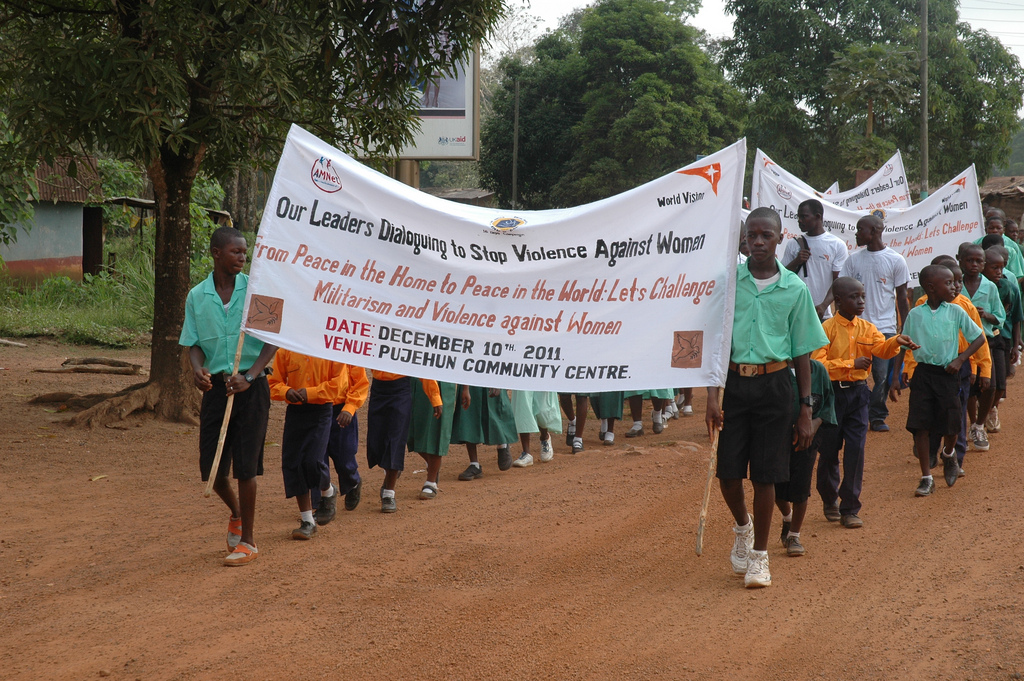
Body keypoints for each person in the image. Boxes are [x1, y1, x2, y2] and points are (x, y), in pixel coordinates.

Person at [705, 207, 828, 589]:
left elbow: (803, 351)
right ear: (744, 239)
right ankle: (743, 527)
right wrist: (712, 395)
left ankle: (759, 557)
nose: (758, 242)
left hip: (776, 388)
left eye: (766, 236)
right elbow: (715, 343)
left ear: (780, 238)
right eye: (751, 236)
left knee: (765, 475)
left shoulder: (794, 288)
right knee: (727, 473)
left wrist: (805, 408)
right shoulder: (727, 283)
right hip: (734, 387)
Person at [179, 226, 277, 567]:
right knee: (211, 469)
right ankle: (236, 512)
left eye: (245, 253)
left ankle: (248, 541)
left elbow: (272, 340)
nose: (242, 257)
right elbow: (192, 343)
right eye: (236, 251)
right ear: (217, 252)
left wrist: (250, 376)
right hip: (218, 390)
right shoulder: (197, 296)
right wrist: (197, 370)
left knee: (246, 466)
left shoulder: (257, 290)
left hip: (251, 388)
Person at [812, 277, 917, 529]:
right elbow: (818, 364)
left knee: (856, 451)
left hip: (859, 395)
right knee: (828, 451)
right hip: (831, 397)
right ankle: (829, 498)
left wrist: (896, 341)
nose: (861, 301)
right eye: (854, 297)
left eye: (863, 296)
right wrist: (850, 364)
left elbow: (881, 348)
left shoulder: (868, 328)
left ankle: (850, 507)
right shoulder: (825, 329)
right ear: (838, 301)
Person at [890, 265, 985, 496]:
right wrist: (894, 376)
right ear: (931, 288)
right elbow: (903, 343)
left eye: (954, 282)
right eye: (949, 283)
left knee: (952, 424)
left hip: (948, 374)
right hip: (923, 375)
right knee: (920, 425)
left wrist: (961, 360)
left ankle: (949, 453)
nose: (954, 287)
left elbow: (978, 338)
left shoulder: (956, 311)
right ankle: (926, 477)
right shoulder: (915, 314)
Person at [839, 214, 910, 432]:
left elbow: (901, 296)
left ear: (876, 231)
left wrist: (905, 325)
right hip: (856, 328)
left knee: (881, 376)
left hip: (884, 329)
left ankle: (877, 415)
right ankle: (852, 410)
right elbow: (842, 288)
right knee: (852, 372)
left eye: (861, 229)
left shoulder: (896, 260)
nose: (857, 233)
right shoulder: (853, 260)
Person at [268, 349, 346, 540]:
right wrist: (287, 391)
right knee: (294, 463)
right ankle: (307, 521)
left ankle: (328, 489)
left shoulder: (332, 349)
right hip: (295, 412)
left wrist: (309, 393)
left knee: (312, 460)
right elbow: (273, 383)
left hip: (321, 411)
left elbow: (338, 385)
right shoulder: (285, 350)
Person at [775, 358, 836, 556]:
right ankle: (787, 516)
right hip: (777, 435)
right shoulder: (777, 368)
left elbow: (828, 404)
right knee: (774, 485)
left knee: (801, 485)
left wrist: (812, 425)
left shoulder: (818, 370)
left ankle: (794, 535)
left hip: (808, 438)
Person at [366, 371, 442, 513]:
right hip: (378, 390)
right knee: (377, 442)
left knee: (395, 440)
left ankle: (389, 493)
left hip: (400, 390)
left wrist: (435, 397)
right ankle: (390, 470)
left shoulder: (406, 347)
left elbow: (420, 364)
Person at [958, 243, 1004, 452]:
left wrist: (986, 315)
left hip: (984, 342)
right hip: (960, 345)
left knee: (990, 385)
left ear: (984, 264)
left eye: (979, 261)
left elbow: (1000, 318)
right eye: (970, 260)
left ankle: (979, 425)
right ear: (960, 261)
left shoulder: (990, 287)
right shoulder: (955, 285)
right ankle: (972, 422)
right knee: (968, 387)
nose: (974, 265)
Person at [311, 364, 369, 524]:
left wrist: (349, 407)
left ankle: (352, 481)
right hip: (315, 407)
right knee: (317, 459)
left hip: (341, 411)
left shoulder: (345, 349)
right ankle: (321, 503)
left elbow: (360, 383)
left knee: (344, 457)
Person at [979, 243, 1022, 434]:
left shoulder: (1009, 287)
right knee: (985, 381)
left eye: (1002, 267)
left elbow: (1015, 316)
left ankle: (990, 409)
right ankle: (978, 418)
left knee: (1000, 385)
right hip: (979, 341)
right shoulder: (973, 286)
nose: (999, 271)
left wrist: (1016, 343)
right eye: (994, 267)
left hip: (1002, 338)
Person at [782, 199, 850, 320]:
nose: (799, 220)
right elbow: (782, 276)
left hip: (822, 314)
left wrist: (823, 306)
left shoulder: (836, 244)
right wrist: (796, 261)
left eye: (804, 216)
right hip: (794, 311)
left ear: (818, 216)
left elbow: (838, 283)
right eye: (798, 217)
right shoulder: (793, 244)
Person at [408, 382, 462, 500]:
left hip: (442, 378)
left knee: (436, 430)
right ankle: (432, 464)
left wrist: (466, 388)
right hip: (415, 377)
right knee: (411, 431)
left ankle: (431, 482)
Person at [453, 386, 516, 480]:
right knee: (468, 415)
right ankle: (474, 465)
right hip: (471, 379)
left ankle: (502, 443)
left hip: (491, 376)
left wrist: (500, 382)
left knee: (494, 410)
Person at [510, 390, 562, 466]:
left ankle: (545, 437)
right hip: (523, 379)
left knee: (543, 409)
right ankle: (526, 453)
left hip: (541, 379)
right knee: (523, 407)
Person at [974, 209, 1024, 282]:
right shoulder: (977, 244)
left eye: (998, 228)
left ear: (1003, 228)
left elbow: (1019, 273)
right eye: (991, 228)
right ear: (986, 228)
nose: (995, 230)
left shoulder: (1012, 247)